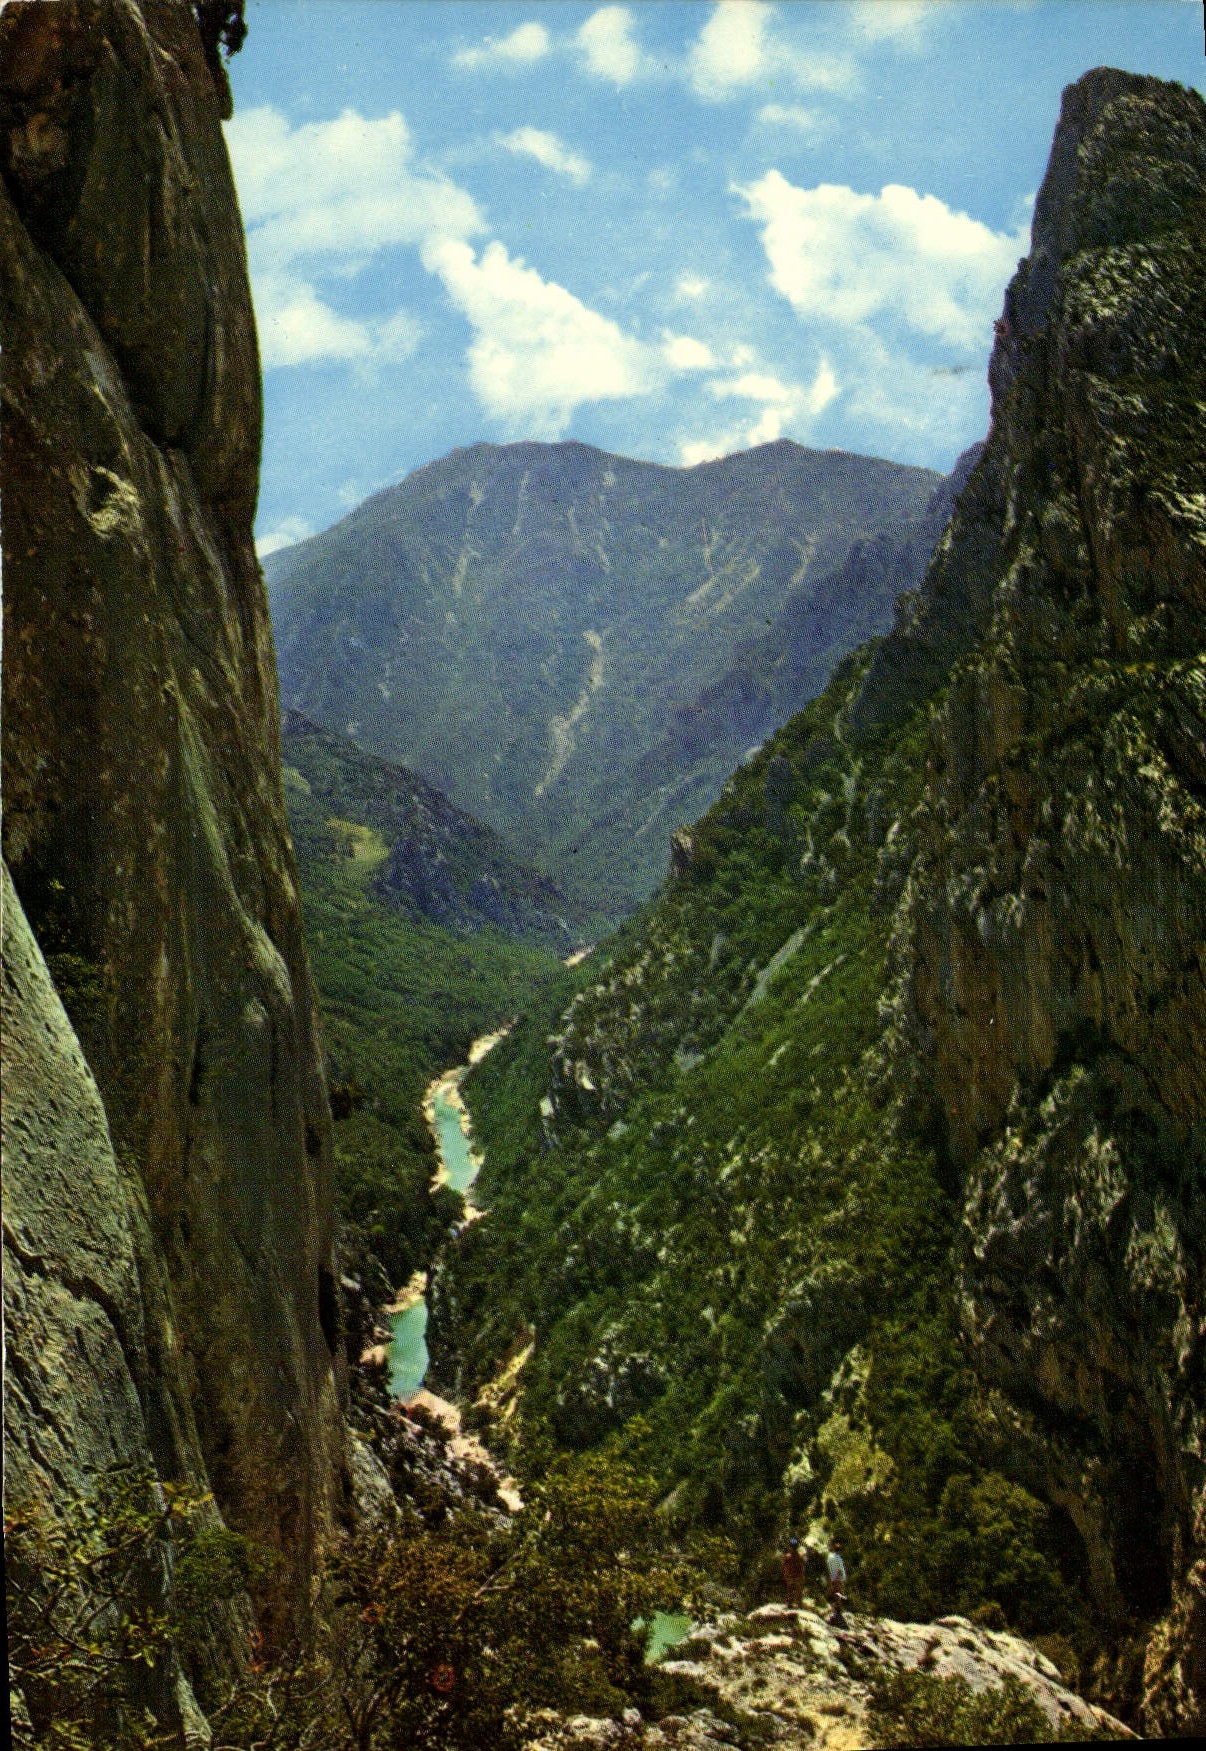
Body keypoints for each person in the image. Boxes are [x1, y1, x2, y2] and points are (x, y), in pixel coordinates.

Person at [826, 1539, 848, 1622]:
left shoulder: (833, 1557)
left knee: (835, 1597)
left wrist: (834, 1580)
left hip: (836, 1580)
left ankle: (836, 1616)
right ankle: (836, 1616)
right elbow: (838, 1570)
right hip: (837, 1579)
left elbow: (837, 1570)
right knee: (836, 1597)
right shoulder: (837, 1557)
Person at [782, 1536, 805, 1608]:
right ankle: (799, 1604)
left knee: (789, 1590)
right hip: (798, 1576)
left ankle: (789, 1603)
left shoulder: (787, 1556)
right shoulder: (800, 1556)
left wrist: (785, 1575)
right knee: (798, 1591)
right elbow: (802, 1567)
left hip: (790, 1576)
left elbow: (784, 1566)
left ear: (790, 1546)